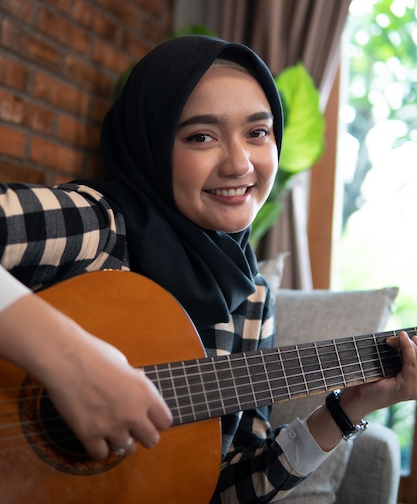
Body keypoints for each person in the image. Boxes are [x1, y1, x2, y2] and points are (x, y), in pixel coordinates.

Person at [0, 34, 416, 502]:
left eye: (258, 132)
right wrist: (67, 360)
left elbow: (220, 489)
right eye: (202, 136)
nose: (240, 163)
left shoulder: (252, 297)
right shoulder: (94, 224)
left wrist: (348, 409)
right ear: (153, 145)